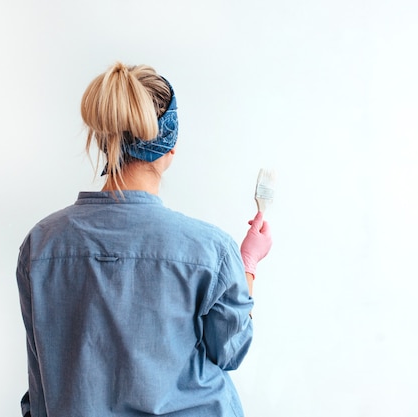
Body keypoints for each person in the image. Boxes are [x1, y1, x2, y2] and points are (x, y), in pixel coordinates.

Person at [16, 62, 272, 417]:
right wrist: (248, 265)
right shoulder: (211, 250)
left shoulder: (41, 245)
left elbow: (42, 377)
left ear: (105, 140)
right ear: (170, 147)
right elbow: (229, 351)